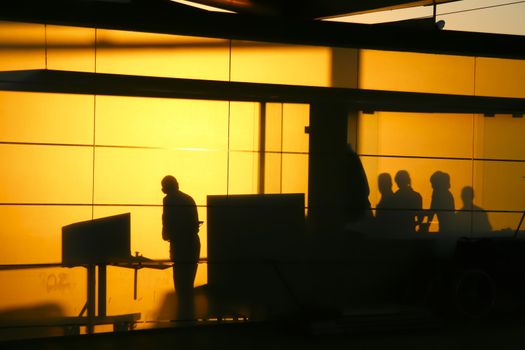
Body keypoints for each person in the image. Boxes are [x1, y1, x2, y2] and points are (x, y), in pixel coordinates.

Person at [161, 175, 200, 320]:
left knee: (180, 284)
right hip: (192, 244)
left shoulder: (169, 200)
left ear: (167, 187)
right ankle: (189, 316)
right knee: (188, 284)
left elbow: (168, 225)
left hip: (181, 245)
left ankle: (183, 317)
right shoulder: (189, 198)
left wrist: (167, 235)